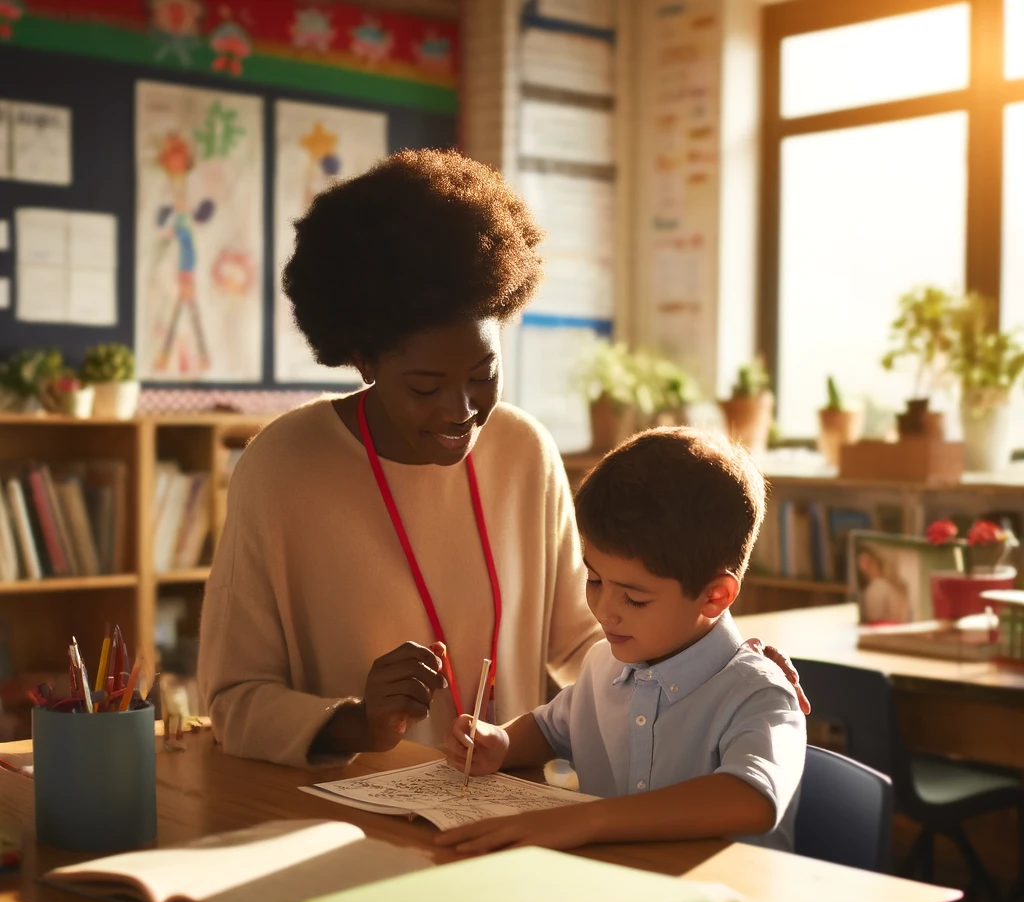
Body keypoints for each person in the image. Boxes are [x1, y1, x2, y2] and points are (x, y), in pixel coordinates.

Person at [198, 149, 805, 769]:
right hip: (344, 822)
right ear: (364, 361)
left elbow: (596, 642)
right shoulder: (280, 469)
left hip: (505, 809)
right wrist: (359, 722)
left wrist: (715, 665)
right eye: (425, 387)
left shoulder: (524, 450)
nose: (461, 410)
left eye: (484, 374)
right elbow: (233, 702)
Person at [439, 428, 807, 854]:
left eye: (633, 597)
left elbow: (751, 799)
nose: (604, 609)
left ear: (714, 595)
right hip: (619, 892)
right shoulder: (604, 666)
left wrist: (589, 819)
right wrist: (499, 742)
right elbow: (550, 729)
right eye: (594, 579)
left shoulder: (759, 693)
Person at [857, 546, 909, 624]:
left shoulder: (881, 586)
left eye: (866, 561)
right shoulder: (871, 587)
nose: (862, 566)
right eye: (861, 561)